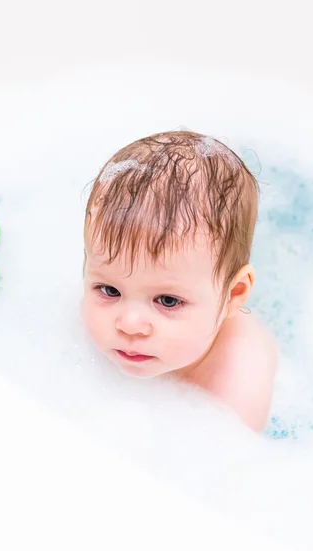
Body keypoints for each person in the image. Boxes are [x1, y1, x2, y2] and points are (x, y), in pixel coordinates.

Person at [82, 130, 278, 431]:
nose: (130, 324)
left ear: (233, 295)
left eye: (168, 301)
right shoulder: (82, 328)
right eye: (109, 290)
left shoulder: (238, 382)